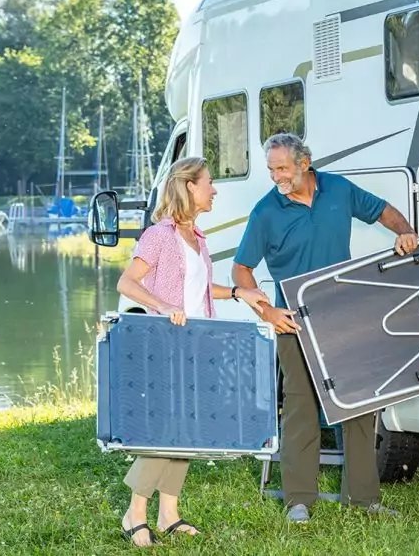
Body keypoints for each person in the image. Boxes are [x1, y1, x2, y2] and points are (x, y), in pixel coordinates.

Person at [232, 133, 418, 524]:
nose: (276, 176)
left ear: (305, 163)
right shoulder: (266, 212)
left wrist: (404, 230)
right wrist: (266, 310)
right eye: (271, 169)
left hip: (342, 314)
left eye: (282, 168)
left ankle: (364, 498)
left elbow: (382, 210)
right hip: (293, 322)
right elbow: (241, 269)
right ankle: (299, 499)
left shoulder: (338, 188)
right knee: (301, 407)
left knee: (358, 404)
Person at [115, 156, 271, 546]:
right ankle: (134, 512)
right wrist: (165, 307)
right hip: (168, 344)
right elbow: (127, 283)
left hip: (199, 345)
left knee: (188, 429)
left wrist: (239, 292)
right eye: (209, 183)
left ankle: (169, 513)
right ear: (189, 186)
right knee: (168, 429)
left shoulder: (196, 238)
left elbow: (200, 291)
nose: (214, 189)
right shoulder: (159, 235)